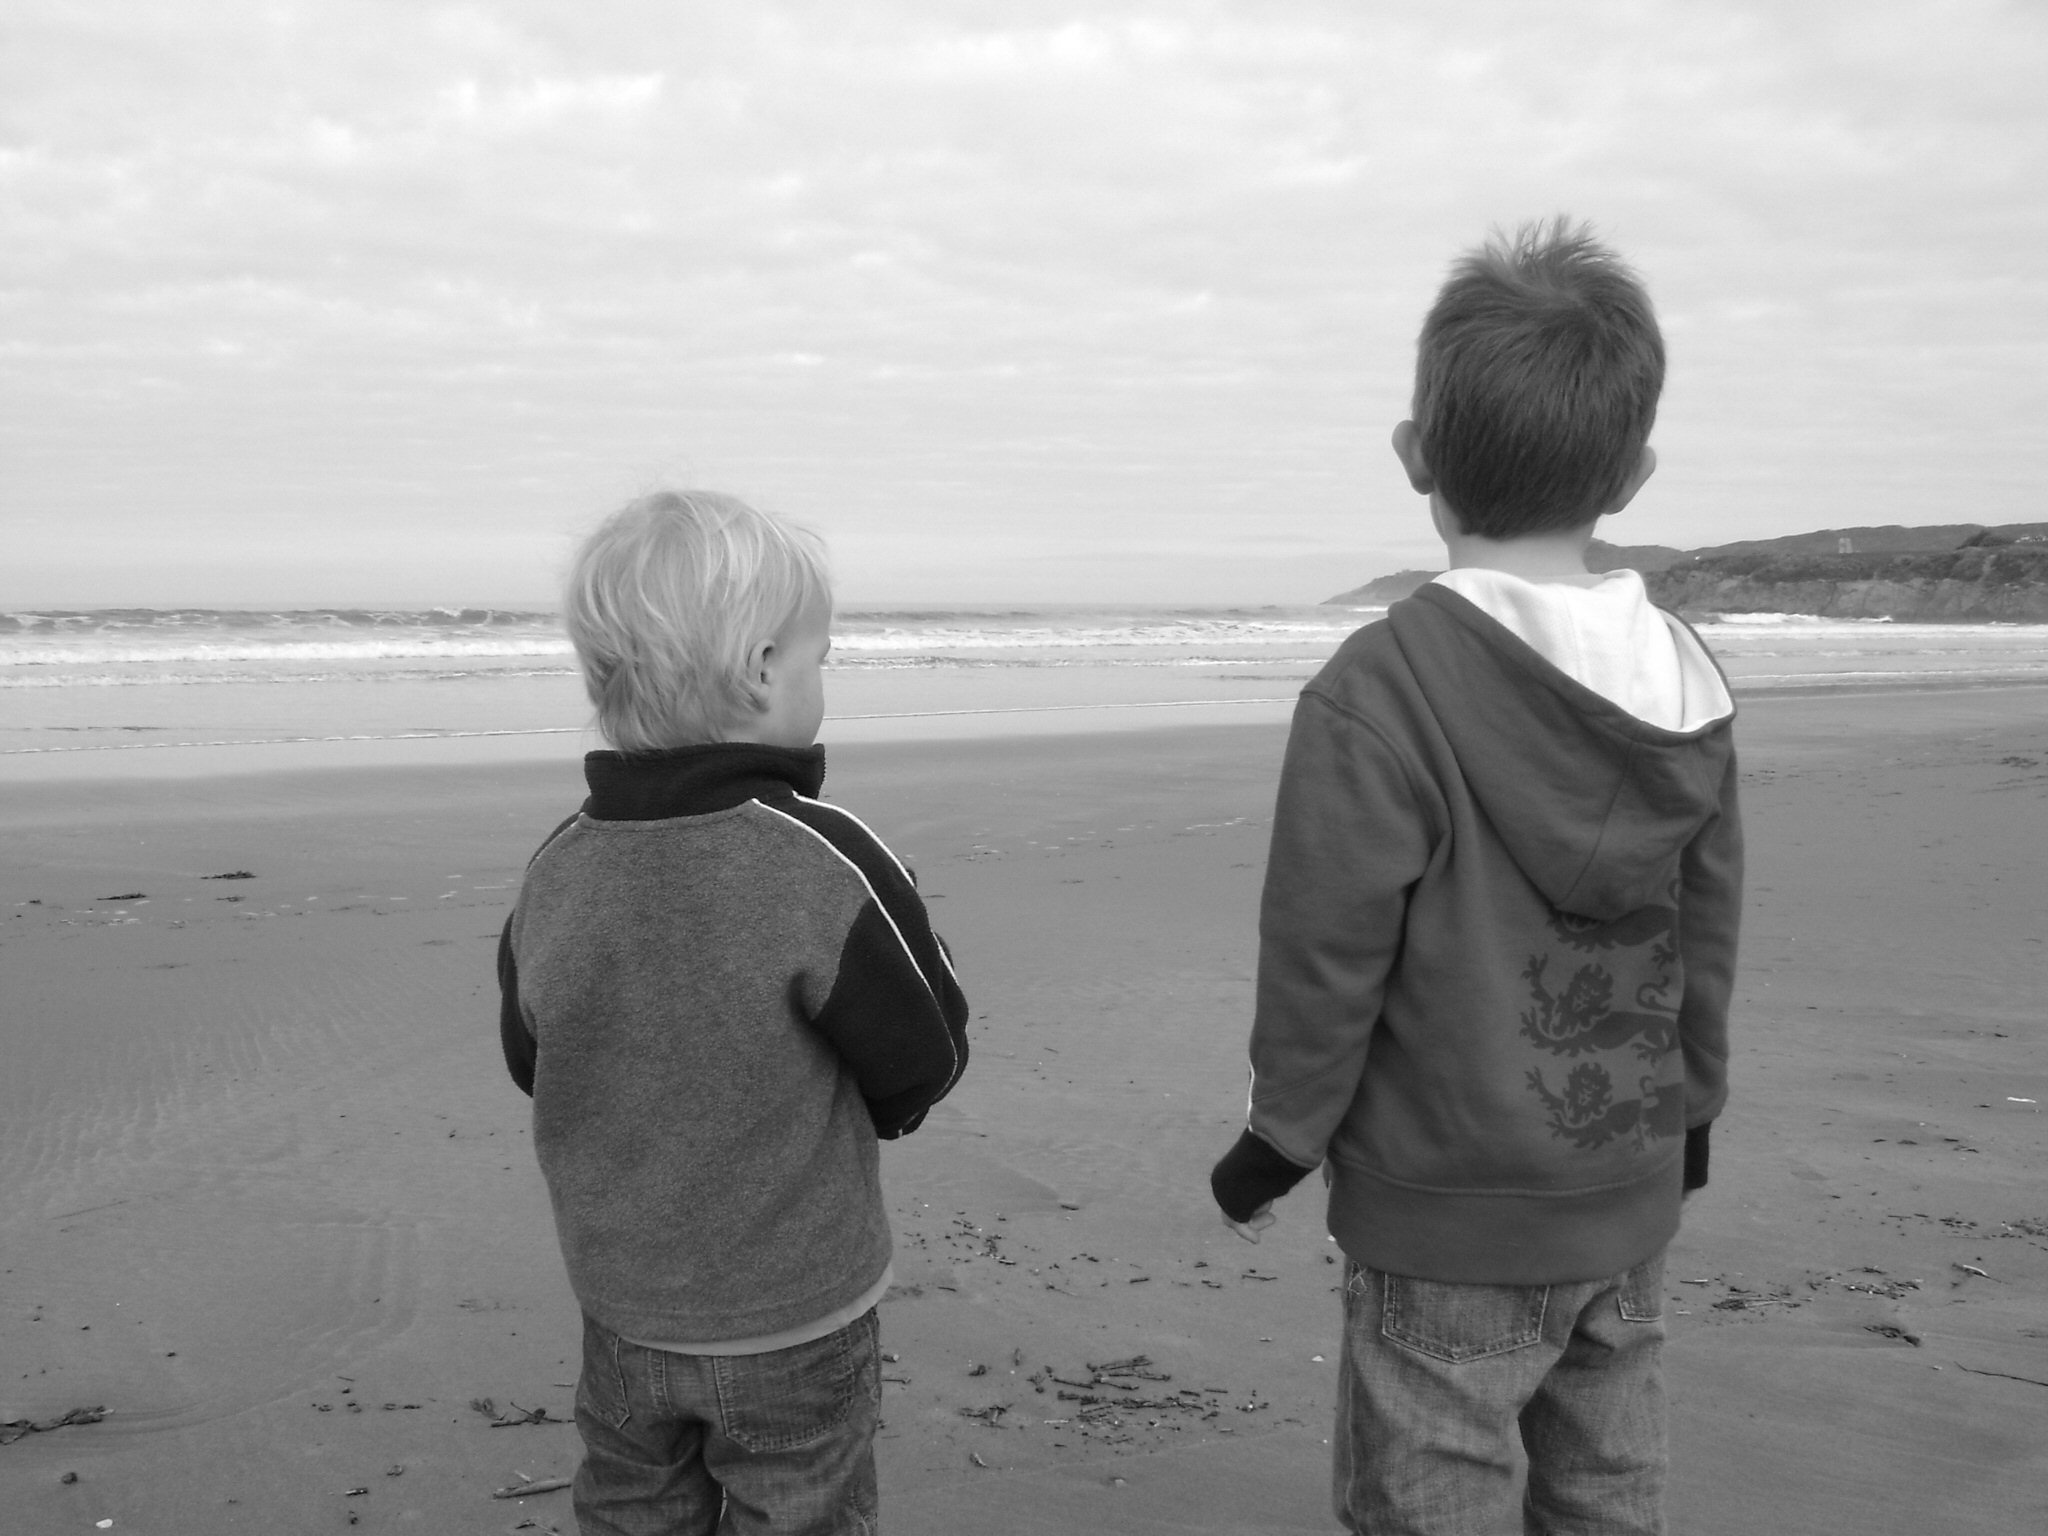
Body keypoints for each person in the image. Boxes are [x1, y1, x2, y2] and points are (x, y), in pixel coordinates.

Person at [1210, 219, 1742, 1536]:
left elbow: (1327, 949)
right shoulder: (1684, 672)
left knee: (1434, 1484)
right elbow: (1709, 923)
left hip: (1444, 1217)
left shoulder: (1379, 690)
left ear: (1417, 459)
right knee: (1609, 1484)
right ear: (1635, 471)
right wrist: (1696, 1109)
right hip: (1624, 1190)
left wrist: (1282, 1136)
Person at [498, 489, 969, 1536]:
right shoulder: (819, 855)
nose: (818, 680)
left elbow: (534, 1054)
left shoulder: (559, 867)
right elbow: (926, 1055)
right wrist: (879, 1110)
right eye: (817, 659)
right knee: (800, 1510)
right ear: (761, 672)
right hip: (796, 1311)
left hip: (624, 1305)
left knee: (633, 1508)